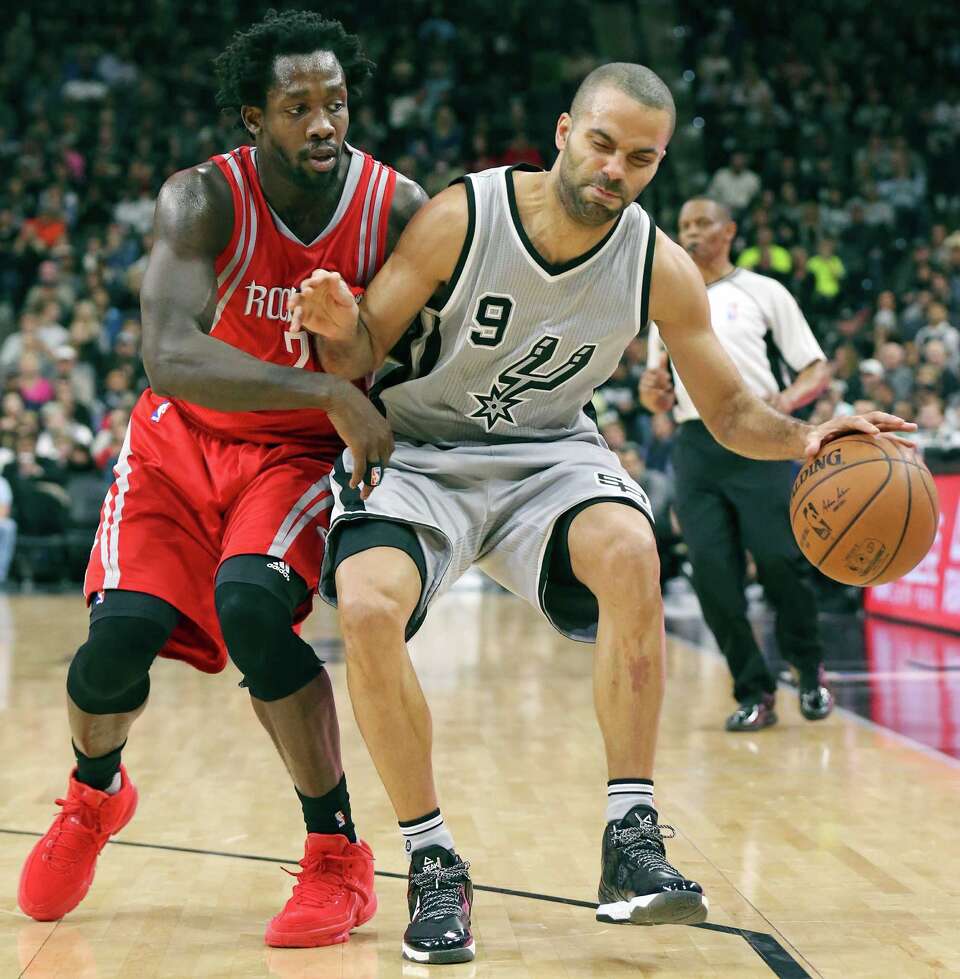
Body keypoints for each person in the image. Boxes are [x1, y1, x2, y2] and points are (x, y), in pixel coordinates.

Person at [290, 63, 914, 963]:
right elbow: (361, 351)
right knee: (367, 604)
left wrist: (810, 436)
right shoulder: (464, 216)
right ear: (563, 133)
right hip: (421, 445)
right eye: (602, 144)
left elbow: (730, 412)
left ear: (658, 164)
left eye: (641, 158)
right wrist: (333, 322)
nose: (616, 169)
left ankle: (631, 839)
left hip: (548, 453)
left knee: (631, 551)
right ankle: (432, 860)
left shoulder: (660, 266)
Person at [17, 10, 427, 950]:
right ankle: (94, 793)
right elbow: (167, 355)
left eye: (335, 103)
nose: (323, 123)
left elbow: (437, 338)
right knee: (114, 646)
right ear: (254, 118)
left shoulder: (395, 207)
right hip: (180, 441)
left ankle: (337, 853)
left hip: (293, 456)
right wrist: (328, 386)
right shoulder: (201, 199)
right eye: (297, 106)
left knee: (252, 606)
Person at [642, 196, 835, 732]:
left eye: (702, 223)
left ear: (728, 231)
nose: (691, 233)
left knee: (780, 562)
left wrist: (784, 402)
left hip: (759, 439)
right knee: (712, 577)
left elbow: (816, 368)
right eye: (684, 224)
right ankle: (754, 690)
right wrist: (653, 394)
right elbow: (657, 394)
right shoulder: (669, 301)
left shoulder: (763, 291)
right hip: (695, 444)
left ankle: (808, 669)